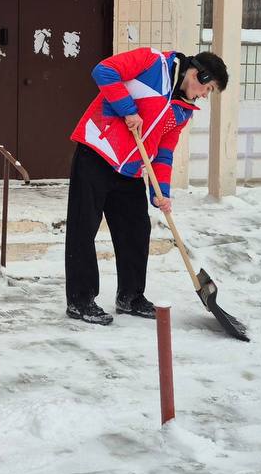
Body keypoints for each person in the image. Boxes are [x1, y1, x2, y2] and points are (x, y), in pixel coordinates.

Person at [64, 47, 229, 325]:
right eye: (208, 88)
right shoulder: (153, 62)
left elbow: (164, 152)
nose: (204, 96)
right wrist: (128, 109)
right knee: (83, 228)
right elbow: (103, 71)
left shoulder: (183, 110)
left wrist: (160, 192)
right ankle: (81, 301)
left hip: (130, 169)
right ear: (198, 74)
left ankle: (130, 296)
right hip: (98, 150)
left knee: (136, 230)